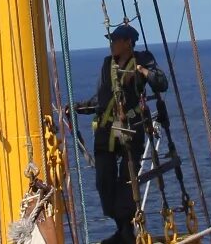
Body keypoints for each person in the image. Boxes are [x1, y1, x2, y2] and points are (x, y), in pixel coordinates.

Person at [72, 23, 169, 244]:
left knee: (128, 180)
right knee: (104, 181)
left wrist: (143, 72)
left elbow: (162, 83)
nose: (112, 44)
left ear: (127, 42)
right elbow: (102, 99)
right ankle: (121, 227)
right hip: (107, 130)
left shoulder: (143, 59)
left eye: (115, 40)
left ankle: (126, 231)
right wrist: (78, 108)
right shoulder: (108, 65)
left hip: (131, 128)